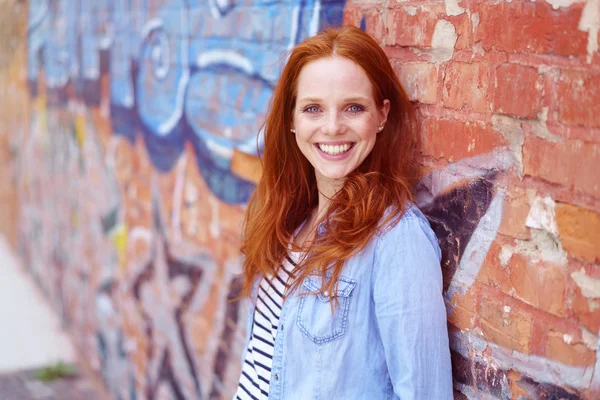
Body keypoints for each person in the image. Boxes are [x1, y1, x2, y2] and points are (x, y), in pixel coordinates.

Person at [233, 26, 453, 399]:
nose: (332, 127)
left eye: (354, 107)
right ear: (292, 119)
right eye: (313, 108)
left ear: (381, 115)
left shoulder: (397, 241)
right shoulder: (290, 219)